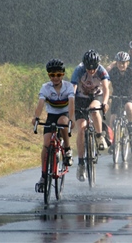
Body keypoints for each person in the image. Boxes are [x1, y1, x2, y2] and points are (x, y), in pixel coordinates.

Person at [32, 59, 75, 192]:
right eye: (52, 75)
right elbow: (40, 104)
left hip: (64, 114)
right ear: (48, 76)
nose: (55, 78)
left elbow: (72, 103)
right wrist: (36, 117)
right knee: (46, 145)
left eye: (58, 75)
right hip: (51, 116)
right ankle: (44, 176)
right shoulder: (45, 87)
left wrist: (71, 119)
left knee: (62, 122)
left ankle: (67, 149)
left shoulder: (68, 86)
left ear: (63, 74)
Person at [71, 49, 110, 182]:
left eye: (93, 69)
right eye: (89, 68)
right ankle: (81, 163)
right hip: (80, 98)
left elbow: (105, 88)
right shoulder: (79, 70)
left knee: (94, 109)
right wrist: (70, 102)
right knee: (81, 129)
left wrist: (104, 102)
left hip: (95, 96)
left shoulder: (102, 70)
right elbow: (73, 88)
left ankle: (99, 136)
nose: (91, 71)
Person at [108, 51, 132, 153]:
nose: (122, 65)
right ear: (116, 63)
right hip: (117, 96)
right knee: (113, 119)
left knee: (129, 107)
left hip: (129, 96)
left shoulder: (131, 71)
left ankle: (130, 124)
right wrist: (106, 93)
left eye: (124, 63)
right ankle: (114, 142)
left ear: (128, 63)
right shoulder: (113, 72)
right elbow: (107, 83)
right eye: (119, 63)